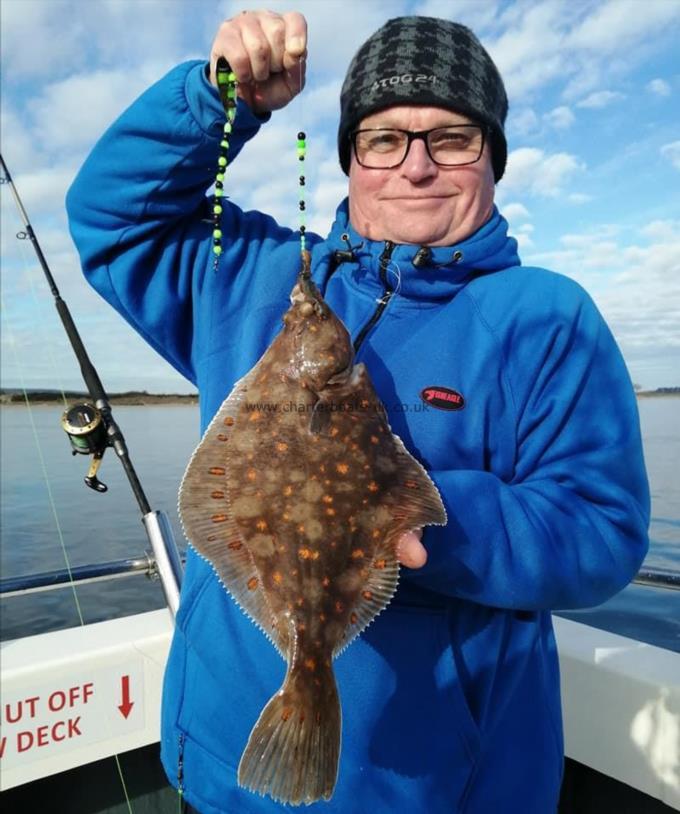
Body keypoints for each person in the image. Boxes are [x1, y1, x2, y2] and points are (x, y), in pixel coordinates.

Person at [66, 11, 650, 814]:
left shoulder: (545, 317)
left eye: (451, 137)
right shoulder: (256, 277)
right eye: (383, 139)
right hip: (217, 771)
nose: (415, 166)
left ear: (494, 158)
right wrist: (220, 103)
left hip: (433, 791)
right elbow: (113, 217)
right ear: (349, 158)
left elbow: (603, 531)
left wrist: (424, 520)